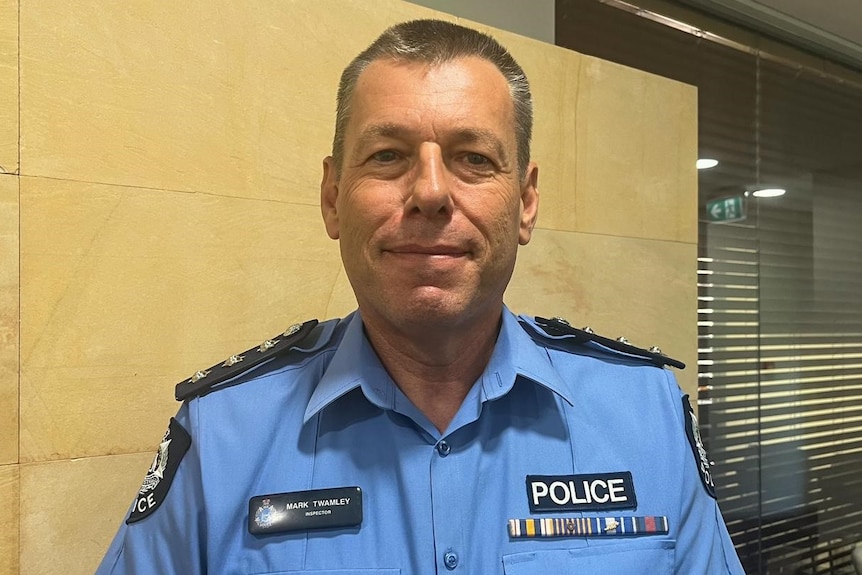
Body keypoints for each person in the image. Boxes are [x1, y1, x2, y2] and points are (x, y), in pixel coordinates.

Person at [95, 18, 744, 574]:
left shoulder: (647, 416)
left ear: (525, 201)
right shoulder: (220, 437)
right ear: (332, 198)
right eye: (387, 155)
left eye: (473, 159)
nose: (431, 192)